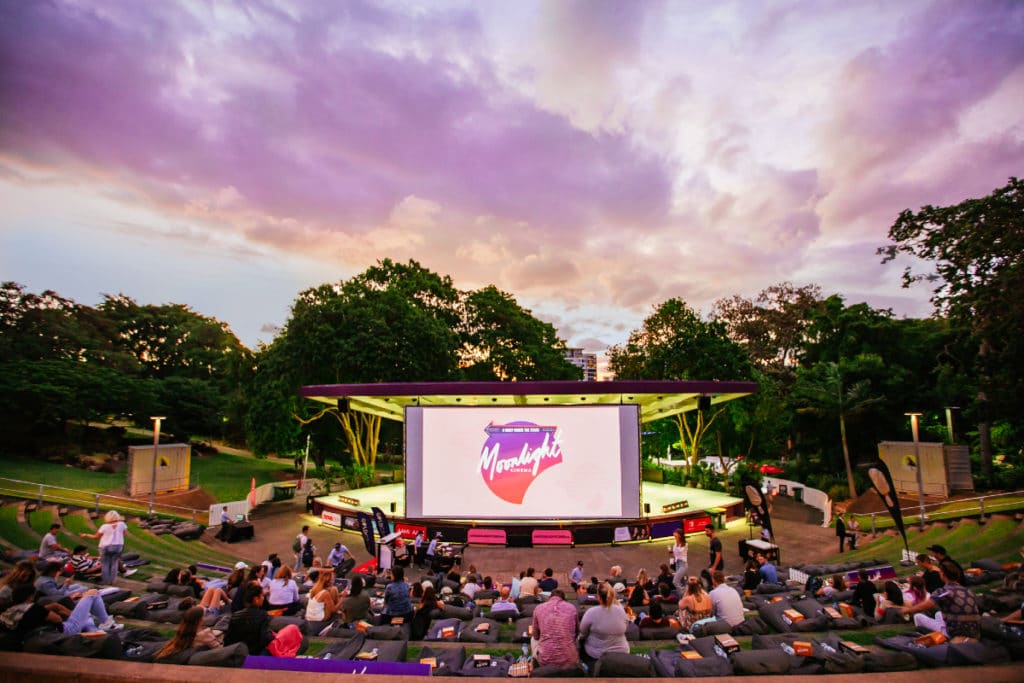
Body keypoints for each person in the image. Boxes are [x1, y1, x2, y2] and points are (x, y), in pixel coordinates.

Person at [5, 586, 121, 643]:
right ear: (29, 596)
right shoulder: (33, 609)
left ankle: (97, 631)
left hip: (39, 635)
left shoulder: (11, 610)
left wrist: (47, 608)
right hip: (65, 631)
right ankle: (105, 623)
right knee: (92, 593)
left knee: (87, 620)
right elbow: (57, 619)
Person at [902, 560, 980, 641]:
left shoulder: (943, 591)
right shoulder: (966, 590)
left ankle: (924, 635)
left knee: (917, 616)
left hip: (956, 633)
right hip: (975, 631)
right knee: (938, 614)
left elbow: (928, 605)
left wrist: (909, 610)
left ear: (942, 574)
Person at [578, 581, 630, 665]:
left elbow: (583, 633)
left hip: (596, 654)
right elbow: (625, 626)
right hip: (621, 651)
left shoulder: (591, 612)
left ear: (598, 597)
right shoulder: (621, 609)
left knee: (580, 643)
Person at [532, 588, 579, 669]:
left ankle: (535, 662)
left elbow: (535, 635)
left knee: (533, 639)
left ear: (549, 598)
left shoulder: (539, 608)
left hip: (545, 660)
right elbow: (576, 632)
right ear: (564, 599)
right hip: (569, 659)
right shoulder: (572, 608)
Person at [155, 605, 221, 661]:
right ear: (200, 620)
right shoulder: (204, 634)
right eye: (203, 616)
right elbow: (220, 650)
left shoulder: (184, 632)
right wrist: (212, 635)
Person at [79, 510, 127, 585]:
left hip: (105, 546)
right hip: (118, 546)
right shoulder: (122, 524)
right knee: (114, 563)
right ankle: (113, 581)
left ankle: (106, 582)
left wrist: (86, 535)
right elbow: (125, 534)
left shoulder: (104, 526)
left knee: (105, 564)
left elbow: (96, 537)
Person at [225, 583, 273, 656]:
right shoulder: (263, 616)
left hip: (236, 652)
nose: (263, 598)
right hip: (254, 654)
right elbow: (265, 639)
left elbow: (227, 639)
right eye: (262, 596)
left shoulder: (235, 615)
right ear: (256, 599)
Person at [701, 525, 723, 591]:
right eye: (705, 531)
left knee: (715, 583)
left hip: (717, 566)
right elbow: (712, 553)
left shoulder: (716, 542)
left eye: (707, 531)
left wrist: (714, 567)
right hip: (713, 564)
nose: (706, 533)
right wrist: (711, 563)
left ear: (712, 531)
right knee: (707, 577)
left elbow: (718, 555)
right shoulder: (711, 540)